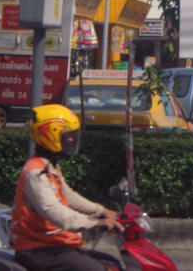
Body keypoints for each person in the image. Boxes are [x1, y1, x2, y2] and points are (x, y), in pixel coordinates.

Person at [12, 104, 125, 271]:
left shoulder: (49, 166)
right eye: (69, 137)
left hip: (56, 244)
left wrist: (102, 211)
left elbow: (69, 196)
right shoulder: (35, 172)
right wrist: (94, 223)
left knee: (111, 264)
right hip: (37, 248)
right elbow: (53, 211)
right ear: (52, 135)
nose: (72, 141)